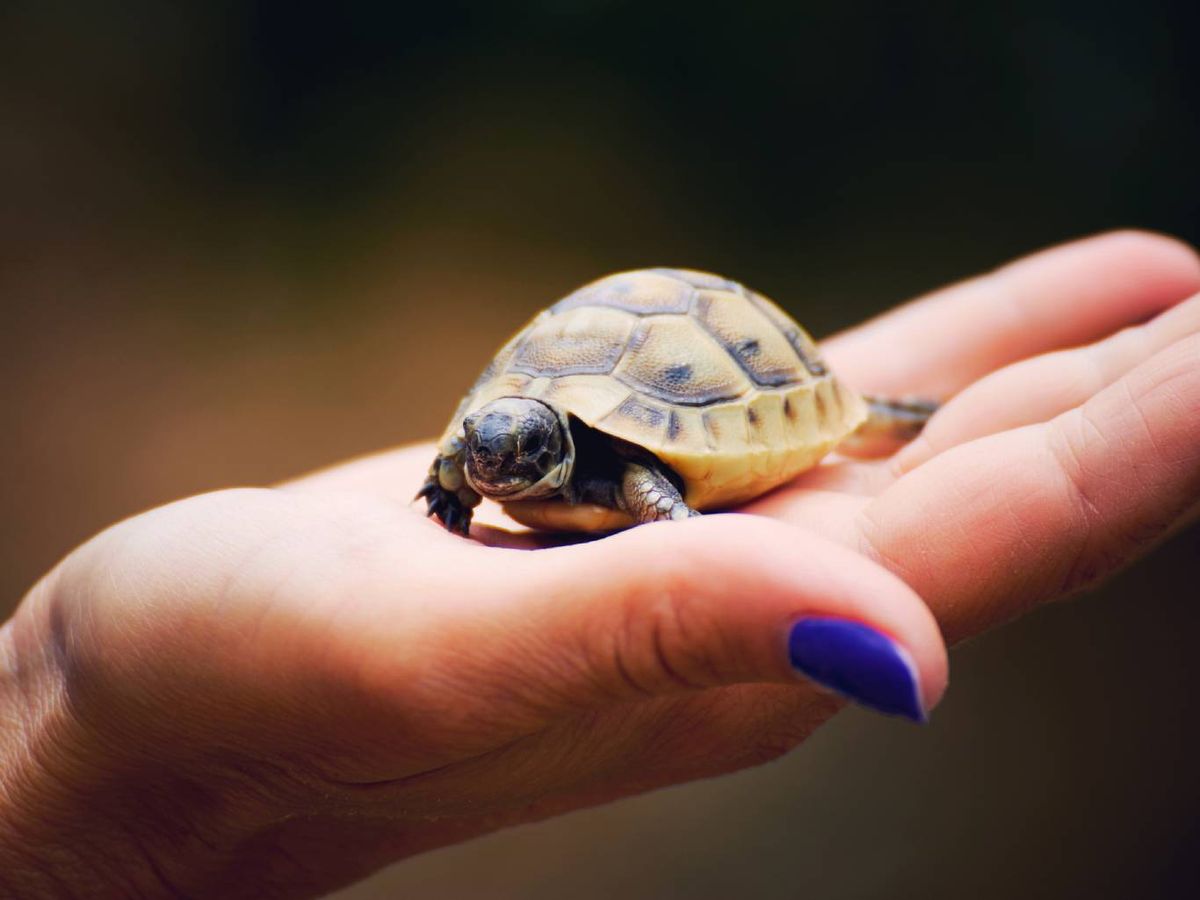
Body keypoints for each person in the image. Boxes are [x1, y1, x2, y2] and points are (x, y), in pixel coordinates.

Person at [1, 231, 1197, 898]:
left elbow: (646, 488)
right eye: (481, 456)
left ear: (555, 450)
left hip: (721, 383)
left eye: (508, 458)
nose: (490, 471)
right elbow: (464, 459)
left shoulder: (624, 469)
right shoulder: (488, 447)